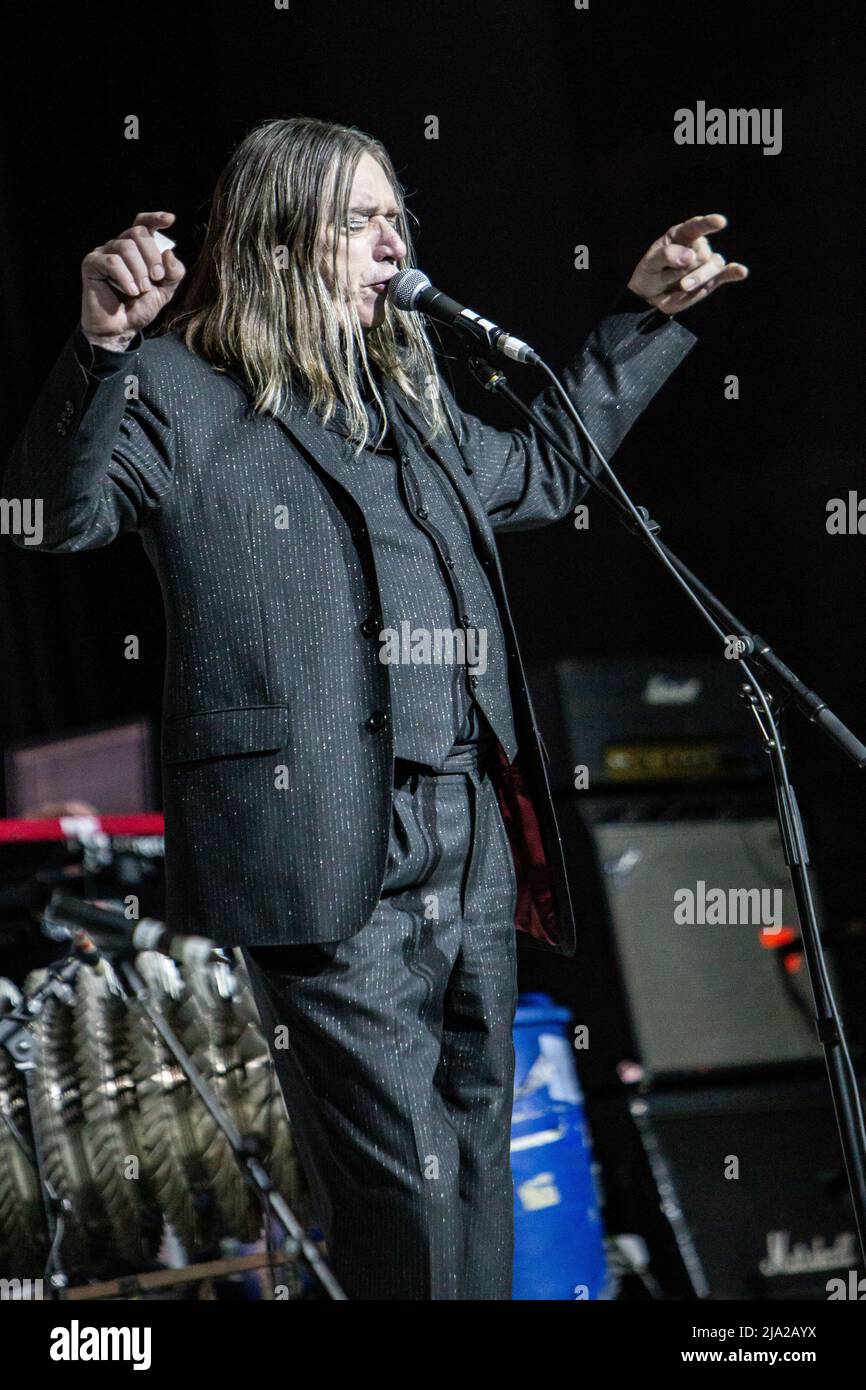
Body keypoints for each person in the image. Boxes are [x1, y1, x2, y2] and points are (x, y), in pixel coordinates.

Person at [3, 115, 748, 1300]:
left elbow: (551, 470)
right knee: (399, 1175)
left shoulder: (409, 404)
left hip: (467, 828)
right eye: (360, 217)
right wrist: (98, 350)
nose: (393, 238)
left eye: (396, 213)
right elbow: (53, 517)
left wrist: (646, 318)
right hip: (319, 846)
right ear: (279, 236)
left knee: (470, 1151)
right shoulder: (176, 391)